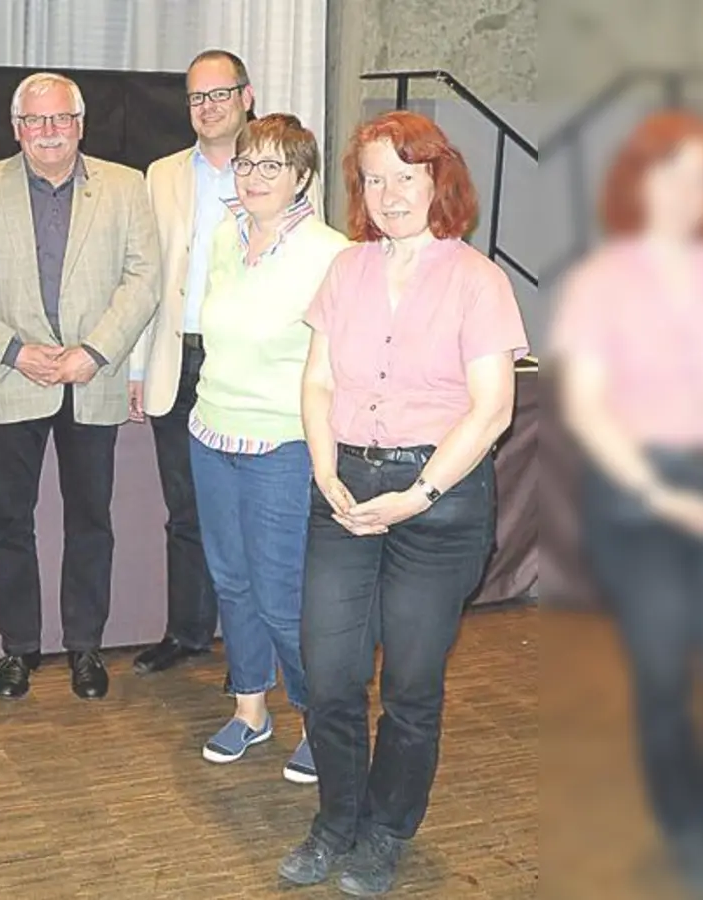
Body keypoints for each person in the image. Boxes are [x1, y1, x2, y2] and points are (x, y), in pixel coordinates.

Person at [279, 110, 526, 896]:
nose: (389, 193)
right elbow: (317, 381)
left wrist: (415, 495)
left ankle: (386, 833)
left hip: (439, 504)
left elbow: (493, 411)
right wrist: (325, 471)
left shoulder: (479, 282)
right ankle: (336, 822)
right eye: (374, 178)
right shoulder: (345, 271)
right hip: (345, 488)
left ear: (437, 179)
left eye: (405, 175)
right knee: (331, 673)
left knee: (412, 687)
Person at [554, 110, 703, 896]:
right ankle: (688, 828)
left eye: (702, 176)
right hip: (636, 497)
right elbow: (588, 406)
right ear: (640, 179)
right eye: (673, 172)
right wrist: (660, 492)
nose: (689, 190)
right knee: (661, 676)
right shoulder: (600, 282)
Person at [0, 71, 160, 701]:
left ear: (80, 125)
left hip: (92, 379)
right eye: (35, 121)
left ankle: (85, 646)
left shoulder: (127, 186)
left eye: (61, 119)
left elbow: (144, 278)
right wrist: (13, 350)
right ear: (17, 129)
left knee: (90, 521)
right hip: (15, 379)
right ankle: (18, 648)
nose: (49, 132)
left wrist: (95, 352)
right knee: (9, 522)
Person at [188, 113, 348, 783]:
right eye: (246, 163)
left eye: (272, 165)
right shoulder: (227, 234)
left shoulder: (331, 253)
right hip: (211, 431)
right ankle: (250, 709)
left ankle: (321, 724)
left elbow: (339, 366)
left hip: (282, 443)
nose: (253, 176)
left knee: (283, 595)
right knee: (231, 580)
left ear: (302, 176)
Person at [127, 49, 252, 678]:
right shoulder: (162, 174)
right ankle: (188, 632)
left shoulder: (278, 166)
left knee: (249, 507)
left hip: (248, 362)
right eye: (196, 98)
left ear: (246, 96)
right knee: (185, 506)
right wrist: (136, 367)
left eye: (218, 95)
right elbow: (151, 278)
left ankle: (252, 645)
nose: (206, 108)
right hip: (179, 355)